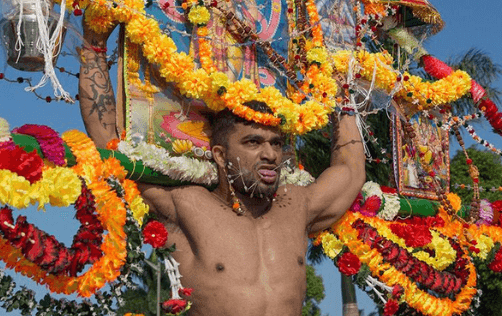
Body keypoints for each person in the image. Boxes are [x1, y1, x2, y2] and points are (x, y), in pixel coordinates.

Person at [78, 23, 366, 316]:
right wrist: (94, 45)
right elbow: (108, 144)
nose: (270, 154)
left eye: (276, 143)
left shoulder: (295, 206)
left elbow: (351, 172)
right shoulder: (187, 204)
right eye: (253, 142)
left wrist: (341, 91)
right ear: (220, 154)